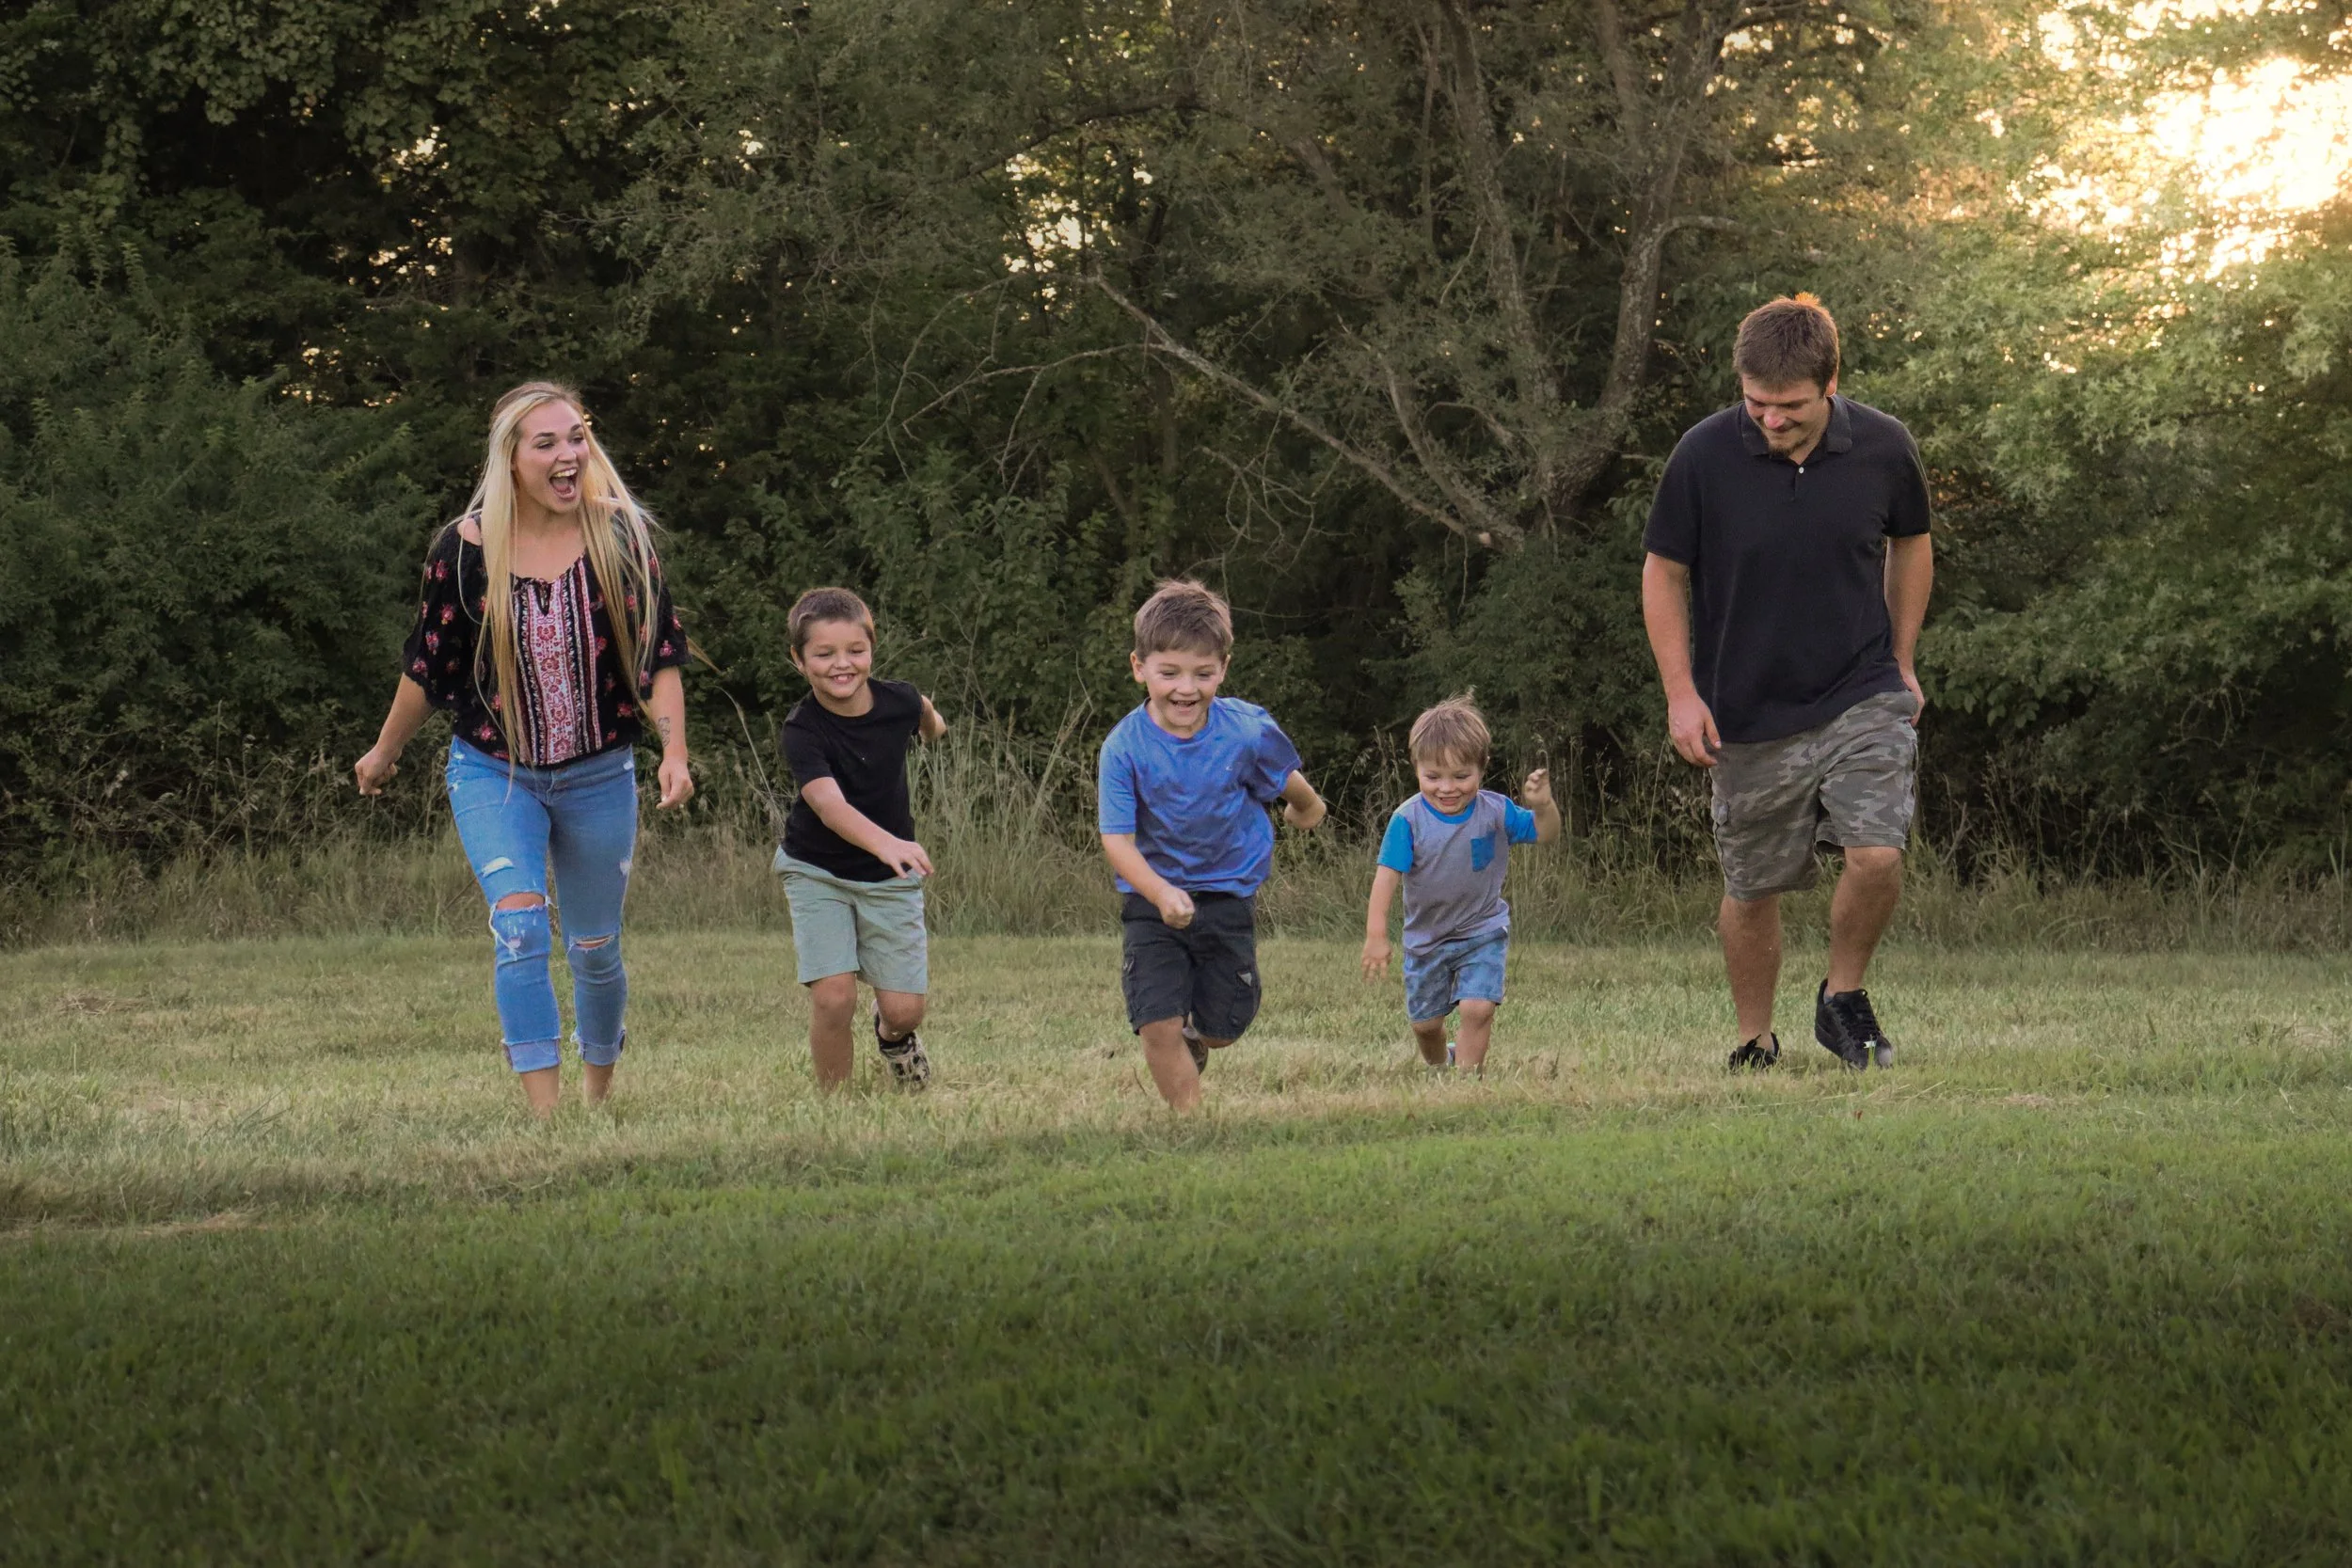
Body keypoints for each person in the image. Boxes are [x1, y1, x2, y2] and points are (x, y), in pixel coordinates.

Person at [354, 381, 694, 1116]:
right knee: (518, 926)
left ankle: (596, 1097)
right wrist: (383, 752)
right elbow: (428, 666)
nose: (568, 453)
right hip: (494, 773)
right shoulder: (463, 551)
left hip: (599, 773)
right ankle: (546, 1118)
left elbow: (659, 655)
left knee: (595, 948)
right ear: (511, 458)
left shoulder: (621, 537)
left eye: (576, 436)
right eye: (547, 443)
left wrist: (674, 754)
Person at [1640, 293, 1933, 1071]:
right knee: (1753, 886)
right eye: (1756, 403)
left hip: (1861, 688)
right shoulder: (1702, 456)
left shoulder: (1884, 446)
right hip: (1745, 709)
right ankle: (1755, 1039)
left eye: (1791, 405)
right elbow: (1663, 572)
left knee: (1878, 852)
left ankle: (1843, 996)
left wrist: (1903, 660)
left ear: (1831, 382)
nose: (1772, 419)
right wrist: (1680, 692)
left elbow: (1912, 543)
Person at [1098, 579, 1327, 1109]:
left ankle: (1199, 1039)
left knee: (1224, 1027)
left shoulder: (1245, 732)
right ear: (1139, 667)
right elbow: (1117, 840)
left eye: (1203, 674)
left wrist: (1307, 809)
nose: (1186, 688)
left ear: (1223, 668)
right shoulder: (1123, 747)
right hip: (1151, 900)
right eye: (1170, 673)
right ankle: (1190, 1125)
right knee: (1157, 1022)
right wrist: (1160, 893)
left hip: (1227, 895)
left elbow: (1289, 782)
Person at [772, 587, 949, 1091]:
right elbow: (828, 807)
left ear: (871, 648)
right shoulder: (802, 729)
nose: (841, 664)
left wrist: (933, 729)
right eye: (823, 654)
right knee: (833, 997)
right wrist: (887, 843)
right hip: (816, 869)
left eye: (855, 650)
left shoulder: (899, 701)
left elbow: (927, 716)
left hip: (888, 878)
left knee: (905, 1011)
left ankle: (893, 1039)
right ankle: (837, 1108)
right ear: (799, 660)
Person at [1359, 697, 1560, 1075]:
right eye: (1433, 777)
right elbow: (1386, 878)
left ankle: (1467, 1080)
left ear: (1482, 767)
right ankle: (1441, 1066)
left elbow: (1546, 833)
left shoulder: (1496, 811)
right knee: (1425, 1025)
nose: (1447, 788)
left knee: (1478, 1008)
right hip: (1426, 940)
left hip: (1482, 929)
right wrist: (1376, 934)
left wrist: (1543, 806)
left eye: (1461, 776)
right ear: (1416, 769)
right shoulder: (1408, 820)